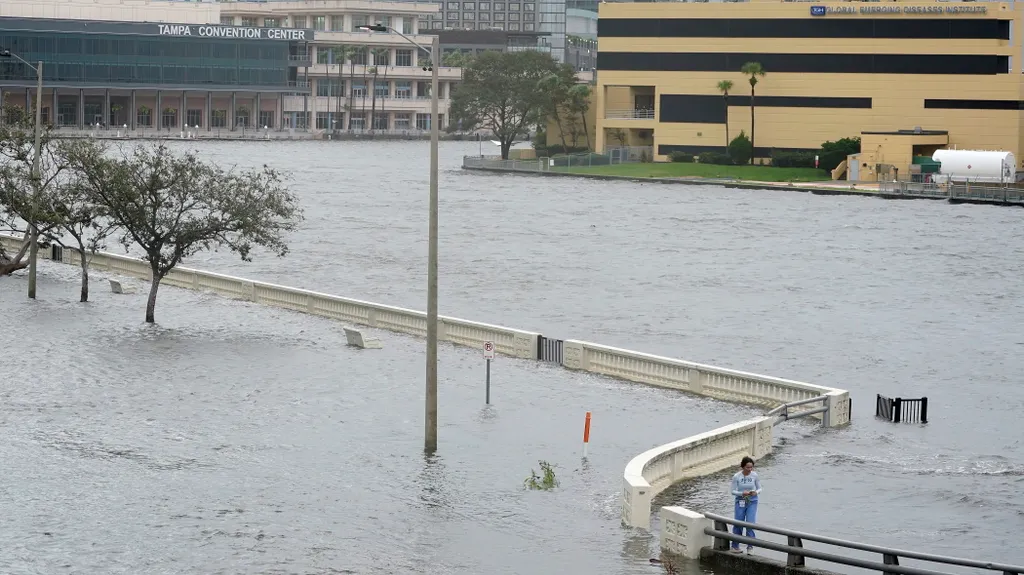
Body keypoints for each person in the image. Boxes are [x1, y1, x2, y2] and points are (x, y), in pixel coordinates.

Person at [729, 456, 761, 554]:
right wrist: (742, 493)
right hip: (740, 501)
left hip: (752, 501)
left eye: (751, 467)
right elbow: (733, 491)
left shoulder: (755, 475)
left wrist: (756, 492)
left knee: (750, 523)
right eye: (747, 467)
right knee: (739, 523)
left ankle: (750, 546)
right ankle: (735, 546)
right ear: (743, 467)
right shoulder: (736, 476)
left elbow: (760, 488)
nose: (749, 470)